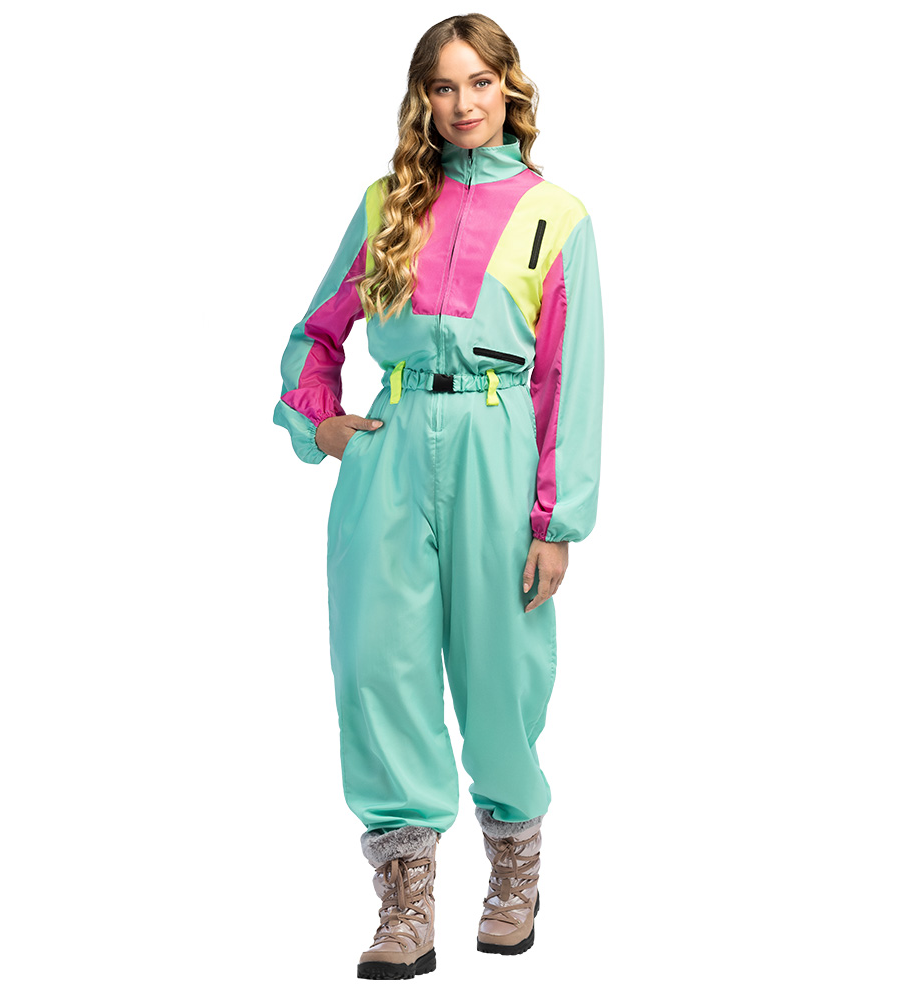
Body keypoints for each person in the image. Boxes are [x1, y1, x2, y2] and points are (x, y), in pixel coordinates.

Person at [273, 13, 604, 980]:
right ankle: (406, 898)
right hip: (389, 451)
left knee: (501, 669)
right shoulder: (388, 204)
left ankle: (514, 865)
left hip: (498, 447)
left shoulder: (557, 217)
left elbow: (568, 379)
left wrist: (557, 522)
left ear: (509, 88)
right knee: (379, 667)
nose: (464, 104)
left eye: (480, 83)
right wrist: (321, 423)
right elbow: (317, 332)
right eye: (444, 87)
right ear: (423, 99)